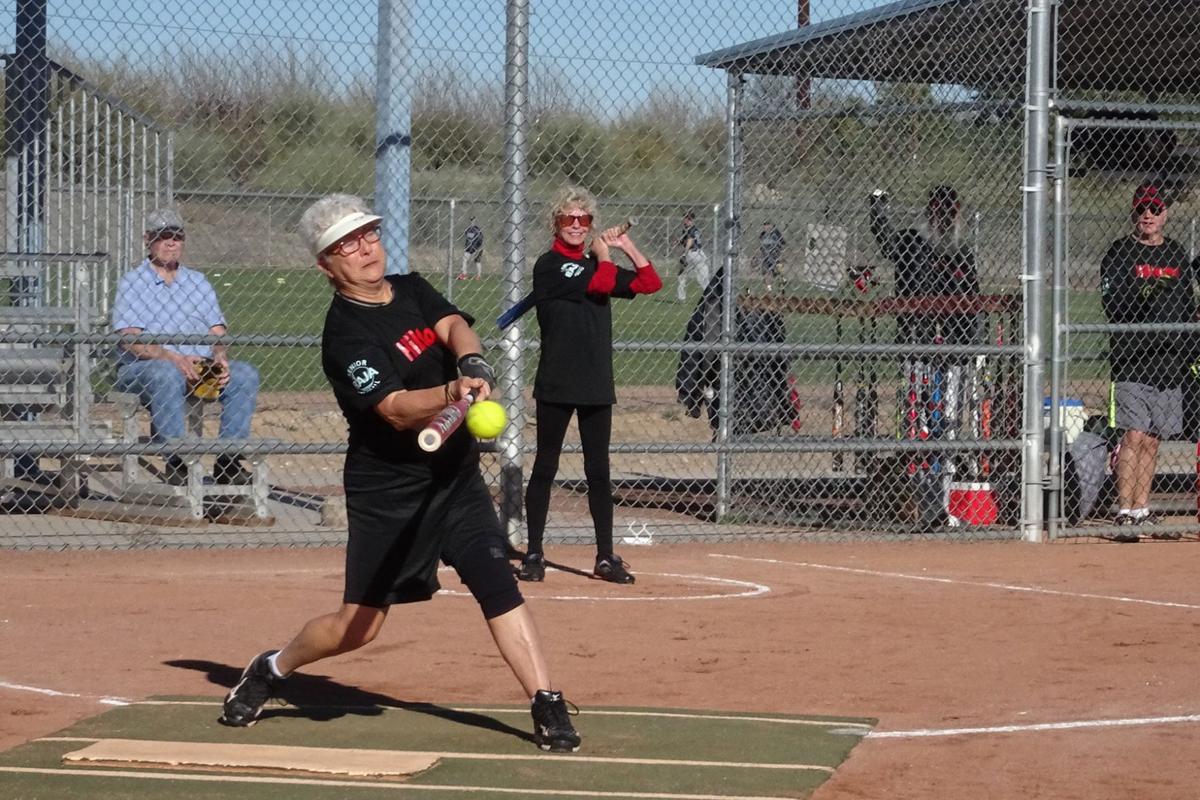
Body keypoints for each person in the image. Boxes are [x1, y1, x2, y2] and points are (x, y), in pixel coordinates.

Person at [220, 194, 580, 753]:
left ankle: (546, 701)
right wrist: (450, 392)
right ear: (326, 266)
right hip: (388, 492)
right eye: (346, 245)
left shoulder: (409, 287)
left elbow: (455, 324)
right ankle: (272, 668)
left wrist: (471, 362)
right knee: (358, 627)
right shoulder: (344, 335)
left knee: (497, 586)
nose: (364, 249)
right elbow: (393, 408)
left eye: (368, 235)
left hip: (452, 478)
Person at [517, 185, 662, 584]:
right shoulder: (548, 266)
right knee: (545, 466)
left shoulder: (600, 264)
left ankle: (604, 556)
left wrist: (627, 246)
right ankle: (534, 554)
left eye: (584, 220)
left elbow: (650, 283)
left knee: (598, 470)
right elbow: (599, 285)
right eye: (569, 219)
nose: (577, 226)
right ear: (556, 223)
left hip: (596, 380)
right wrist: (602, 255)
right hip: (558, 380)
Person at [112, 209, 260, 486]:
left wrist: (219, 357)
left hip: (198, 366)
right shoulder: (133, 282)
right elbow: (131, 339)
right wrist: (174, 358)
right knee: (165, 374)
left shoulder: (198, 282)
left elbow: (217, 332)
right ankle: (177, 460)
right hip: (143, 369)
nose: (171, 242)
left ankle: (228, 461)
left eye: (177, 236)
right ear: (148, 239)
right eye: (163, 236)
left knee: (245, 375)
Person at [869, 185, 980, 530]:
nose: (944, 218)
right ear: (929, 213)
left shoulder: (962, 252)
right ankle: (920, 505)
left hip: (954, 353)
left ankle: (941, 506)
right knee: (920, 425)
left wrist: (973, 346)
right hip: (918, 349)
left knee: (947, 427)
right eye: (938, 211)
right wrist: (877, 206)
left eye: (950, 212)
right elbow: (885, 240)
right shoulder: (910, 243)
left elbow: (973, 303)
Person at [1100, 182, 1195, 542]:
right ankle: (1124, 511)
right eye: (1142, 209)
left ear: (1165, 213)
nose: (1148, 215)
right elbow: (1113, 304)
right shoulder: (1120, 252)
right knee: (1134, 434)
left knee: (1153, 440)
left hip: (1169, 361)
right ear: (1134, 214)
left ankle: (1142, 508)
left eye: (1155, 209)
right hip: (1133, 357)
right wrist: (1141, 293)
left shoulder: (1175, 254)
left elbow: (1186, 306)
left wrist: (1187, 350)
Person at [676, 210, 709, 303]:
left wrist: (684, 253)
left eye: (689, 219)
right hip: (700, 254)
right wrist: (680, 242)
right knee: (703, 278)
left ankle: (681, 298)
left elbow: (690, 241)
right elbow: (687, 240)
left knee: (682, 275)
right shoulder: (694, 229)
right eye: (687, 218)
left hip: (692, 254)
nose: (687, 220)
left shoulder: (689, 229)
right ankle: (710, 296)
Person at [758, 221, 786, 285]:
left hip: (775, 251)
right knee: (767, 267)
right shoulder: (763, 234)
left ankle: (782, 277)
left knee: (777, 264)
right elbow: (761, 242)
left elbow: (782, 242)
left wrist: (780, 249)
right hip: (766, 252)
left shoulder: (775, 232)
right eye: (764, 225)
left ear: (771, 226)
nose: (766, 227)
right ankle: (769, 283)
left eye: (767, 225)